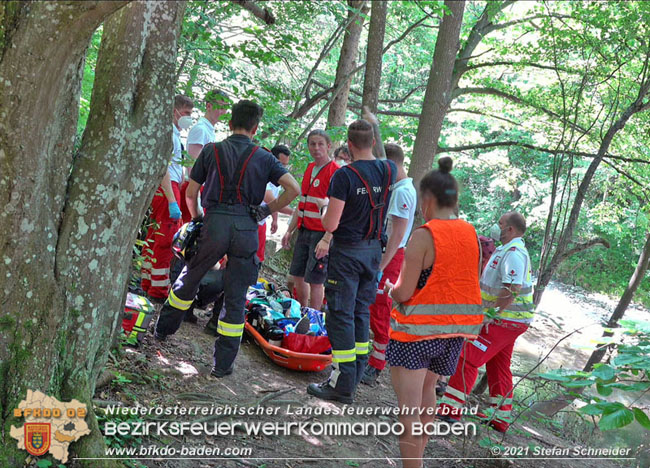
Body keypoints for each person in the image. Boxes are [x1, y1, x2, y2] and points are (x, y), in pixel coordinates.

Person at [154, 100, 300, 378]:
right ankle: (223, 365)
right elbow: (294, 188)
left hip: (215, 222)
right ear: (255, 128)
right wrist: (267, 210)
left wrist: (198, 217)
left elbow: (191, 191)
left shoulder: (212, 151)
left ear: (230, 123)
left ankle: (162, 330)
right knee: (236, 296)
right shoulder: (265, 157)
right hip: (246, 227)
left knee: (190, 276)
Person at [384, 157, 483, 468]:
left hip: (417, 332)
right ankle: (420, 456)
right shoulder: (471, 233)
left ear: (426, 199)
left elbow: (405, 292)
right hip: (455, 332)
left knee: (408, 406)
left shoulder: (424, 235)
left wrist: (390, 289)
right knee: (430, 391)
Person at [306, 119, 396, 404]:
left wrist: (323, 209)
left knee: (340, 316)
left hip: (347, 253)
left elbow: (331, 223)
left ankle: (342, 383)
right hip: (372, 253)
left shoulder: (344, 176)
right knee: (360, 313)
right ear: (372, 142)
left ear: (350, 143)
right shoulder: (388, 169)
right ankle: (354, 374)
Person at [437, 211, 534, 433]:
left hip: (505, 320)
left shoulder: (514, 253)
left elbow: (513, 289)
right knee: (498, 366)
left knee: (468, 357)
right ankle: (499, 417)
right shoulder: (505, 250)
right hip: (509, 320)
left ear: (510, 229)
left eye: (500, 224)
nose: (496, 227)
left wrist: (490, 315)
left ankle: (450, 410)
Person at [360, 143, 417, 386]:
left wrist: (381, 266)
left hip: (391, 257)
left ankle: (376, 364)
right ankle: (368, 357)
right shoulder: (399, 188)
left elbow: (397, 234)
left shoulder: (403, 192)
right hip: (386, 255)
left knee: (381, 309)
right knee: (372, 308)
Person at [141, 94, 194, 303]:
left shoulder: (173, 134)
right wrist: (172, 199)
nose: (189, 118)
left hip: (167, 188)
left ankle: (148, 282)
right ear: (175, 111)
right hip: (166, 189)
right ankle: (158, 289)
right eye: (187, 113)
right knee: (165, 240)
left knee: (154, 237)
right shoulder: (168, 134)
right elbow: (163, 168)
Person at [281, 131, 339, 310]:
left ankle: (314, 316)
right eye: (312, 144)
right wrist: (289, 230)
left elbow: (338, 210)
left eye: (320, 144)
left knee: (316, 279)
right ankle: (301, 309)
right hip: (304, 229)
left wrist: (328, 238)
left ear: (329, 146)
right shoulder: (309, 168)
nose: (316, 148)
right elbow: (302, 204)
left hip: (321, 233)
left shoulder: (335, 172)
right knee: (297, 274)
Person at [178, 89, 230, 223]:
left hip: (203, 188)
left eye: (225, 107)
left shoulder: (209, 130)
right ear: (209, 106)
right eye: (220, 106)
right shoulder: (200, 129)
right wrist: (197, 196)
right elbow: (192, 165)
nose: (223, 111)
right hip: (194, 188)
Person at [256, 145, 293, 262]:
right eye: (281, 164)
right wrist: (297, 212)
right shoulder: (261, 175)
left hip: (261, 221)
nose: (283, 169)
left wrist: (275, 219)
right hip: (251, 221)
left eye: (285, 166)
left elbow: (274, 202)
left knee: (259, 257)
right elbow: (275, 202)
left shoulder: (277, 179)